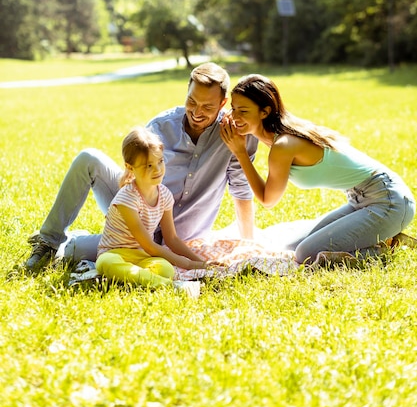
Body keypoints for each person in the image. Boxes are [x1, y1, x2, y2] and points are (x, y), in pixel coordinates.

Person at [23, 62, 257, 272]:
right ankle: (48, 242)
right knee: (89, 158)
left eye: (208, 107)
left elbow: (241, 189)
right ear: (186, 93)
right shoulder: (161, 126)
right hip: (137, 216)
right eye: (192, 101)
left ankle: (74, 239)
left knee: (73, 251)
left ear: (223, 104)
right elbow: (132, 171)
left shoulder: (234, 135)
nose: (197, 112)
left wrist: (249, 246)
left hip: (178, 237)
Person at [220, 74, 416, 264]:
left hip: (389, 202)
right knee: (290, 246)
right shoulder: (277, 134)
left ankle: (386, 246)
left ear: (265, 112)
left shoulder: (284, 144)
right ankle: (378, 235)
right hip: (360, 200)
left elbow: (268, 200)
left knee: (306, 254)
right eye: (233, 108)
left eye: (243, 111)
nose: (234, 116)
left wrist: (241, 154)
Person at [96, 126, 206, 296]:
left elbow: (172, 239)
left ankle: (138, 279)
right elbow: (149, 245)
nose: (157, 170)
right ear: (130, 167)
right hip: (115, 253)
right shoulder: (127, 199)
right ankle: (172, 287)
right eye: (148, 165)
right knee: (105, 264)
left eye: (160, 161)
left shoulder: (164, 195)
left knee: (166, 269)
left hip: (141, 258)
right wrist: (188, 265)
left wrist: (200, 262)